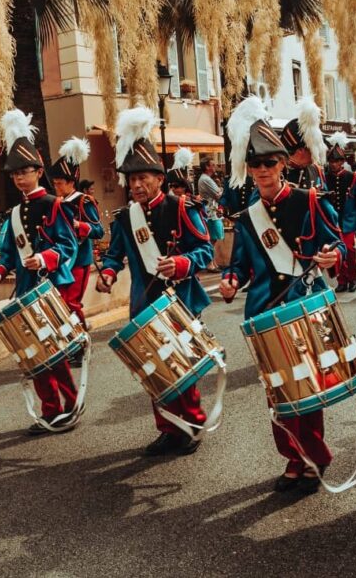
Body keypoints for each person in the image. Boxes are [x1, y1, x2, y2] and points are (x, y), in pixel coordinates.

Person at [219, 95, 343, 493]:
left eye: (270, 163)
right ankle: (293, 457)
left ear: (283, 163)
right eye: (255, 165)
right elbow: (239, 263)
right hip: (264, 310)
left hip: (304, 304)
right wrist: (231, 281)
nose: (262, 171)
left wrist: (330, 256)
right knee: (277, 391)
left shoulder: (310, 202)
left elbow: (337, 244)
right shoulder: (248, 216)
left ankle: (316, 457)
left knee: (308, 385)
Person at [96, 106, 214, 457]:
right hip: (144, 305)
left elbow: (204, 252)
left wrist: (180, 263)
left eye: (143, 177)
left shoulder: (181, 208)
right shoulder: (125, 218)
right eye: (131, 179)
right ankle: (167, 428)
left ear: (159, 178)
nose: (136, 185)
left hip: (180, 303)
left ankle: (190, 425)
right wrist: (107, 272)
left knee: (182, 367)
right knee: (154, 370)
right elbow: (115, 255)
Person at [0, 109, 80, 434]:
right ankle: (50, 408)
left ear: (38, 171)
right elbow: (9, 252)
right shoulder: (14, 213)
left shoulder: (54, 204)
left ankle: (69, 405)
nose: (19, 178)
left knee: (53, 350)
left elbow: (68, 246)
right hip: (26, 291)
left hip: (51, 288)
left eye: (25, 172)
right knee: (34, 353)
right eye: (14, 175)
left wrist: (45, 259)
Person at [48, 136, 104, 368]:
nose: (57, 186)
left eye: (61, 182)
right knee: (60, 304)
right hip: (62, 260)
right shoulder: (56, 203)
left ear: (71, 182)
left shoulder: (83, 201)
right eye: (56, 182)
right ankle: (70, 341)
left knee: (71, 303)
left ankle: (80, 344)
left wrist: (80, 226)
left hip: (79, 259)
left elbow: (98, 230)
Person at [324, 132, 356, 292]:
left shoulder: (352, 177)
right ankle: (342, 280)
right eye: (331, 161)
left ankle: (352, 278)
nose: (334, 164)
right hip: (332, 222)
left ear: (342, 162)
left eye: (337, 161)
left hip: (348, 221)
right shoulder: (325, 178)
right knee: (336, 252)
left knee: (349, 250)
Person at [279, 102, 328, 191]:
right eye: (312, 151)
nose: (315, 156)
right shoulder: (275, 170)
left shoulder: (315, 170)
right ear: (301, 150)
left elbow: (323, 200)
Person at [197, 158, 223, 271]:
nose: (215, 166)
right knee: (212, 238)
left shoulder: (206, 179)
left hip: (211, 211)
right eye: (212, 164)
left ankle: (212, 262)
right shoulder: (206, 179)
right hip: (210, 212)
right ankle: (210, 263)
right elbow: (218, 194)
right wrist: (223, 189)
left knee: (214, 238)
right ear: (207, 167)